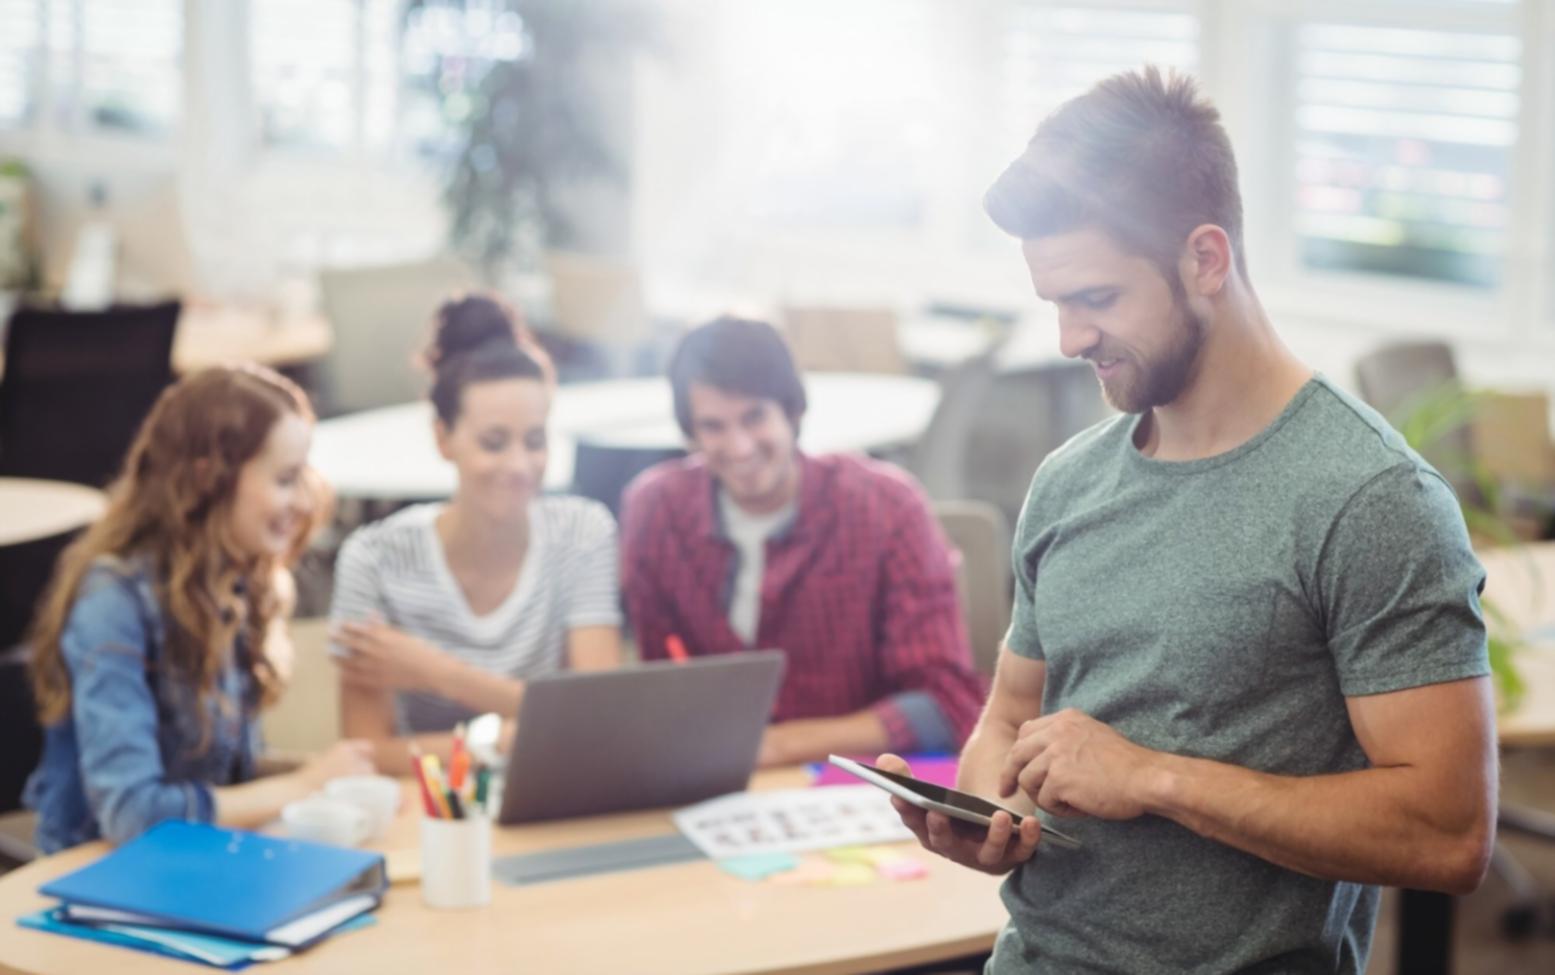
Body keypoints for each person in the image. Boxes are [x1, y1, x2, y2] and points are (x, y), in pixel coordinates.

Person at [880, 66, 1495, 974]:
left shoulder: (1371, 499)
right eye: (1054, 303)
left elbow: (1448, 833)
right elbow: (1007, 717)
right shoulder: (1067, 483)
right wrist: (987, 813)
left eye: (1096, 299)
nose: (1068, 339)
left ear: (1205, 259)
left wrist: (1154, 778)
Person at [24, 365, 374, 853]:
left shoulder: (236, 580)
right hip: (99, 878)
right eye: (286, 478)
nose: (304, 499)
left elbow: (229, 776)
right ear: (210, 477)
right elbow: (132, 813)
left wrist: (327, 775)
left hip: (200, 859)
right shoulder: (113, 601)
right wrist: (303, 785)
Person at [619, 316, 986, 767]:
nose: (738, 447)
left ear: (792, 411)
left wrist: (778, 745)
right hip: (713, 784)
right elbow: (658, 689)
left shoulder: (888, 506)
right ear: (690, 434)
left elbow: (945, 705)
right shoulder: (655, 511)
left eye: (754, 417)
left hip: (859, 783)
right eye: (713, 427)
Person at [330, 294, 622, 775]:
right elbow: (366, 754)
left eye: (535, 440)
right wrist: (517, 734)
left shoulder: (582, 534)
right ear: (443, 438)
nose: (519, 465)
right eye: (493, 442)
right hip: (430, 815)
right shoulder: (374, 559)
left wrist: (437, 674)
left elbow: (601, 723)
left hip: (553, 796)